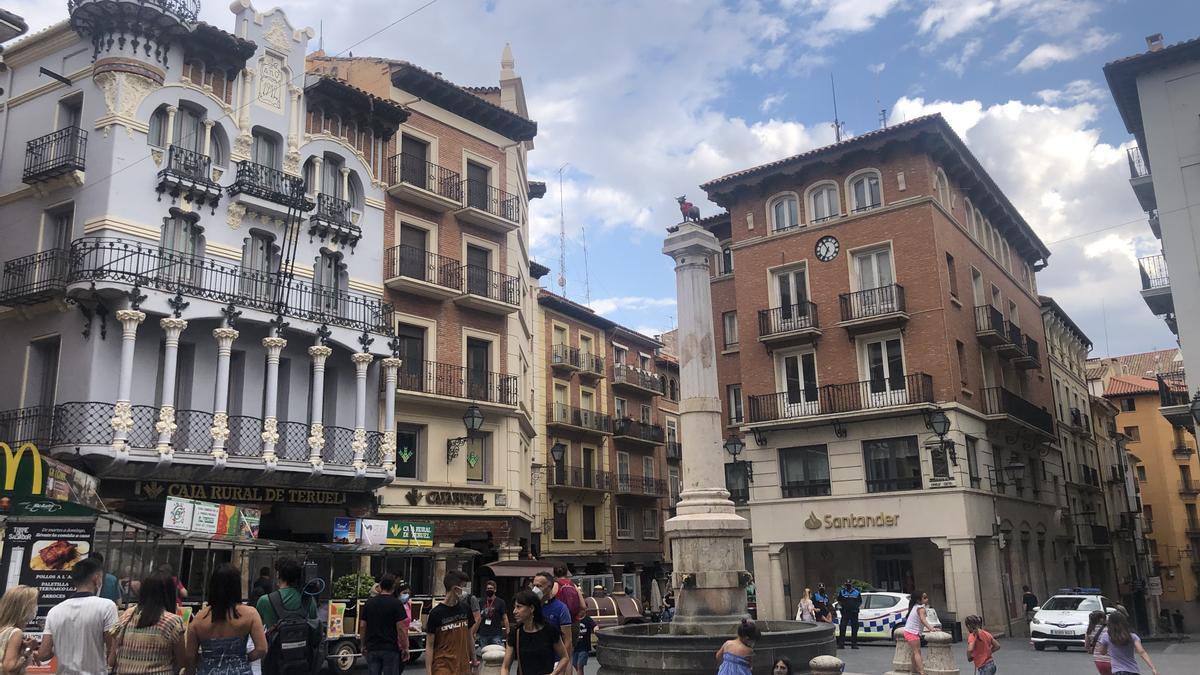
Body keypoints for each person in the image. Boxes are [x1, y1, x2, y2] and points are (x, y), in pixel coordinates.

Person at [38, 557, 119, 675]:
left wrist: (60, 650)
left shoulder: (55, 611)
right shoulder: (106, 606)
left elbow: (43, 654)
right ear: (96, 579)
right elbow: (112, 647)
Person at [186, 563, 267, 675]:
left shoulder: (199, 619)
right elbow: (262, 649)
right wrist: (243, 659)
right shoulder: (251, 614)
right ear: (237, 586)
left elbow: (190, 656)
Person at [108, 573, 187, 675]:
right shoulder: (172, 622)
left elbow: (111, 661)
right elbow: (182, 664)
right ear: (170, 593)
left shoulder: (126, 616)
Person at [255, 558, 318, 675]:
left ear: (278, 575)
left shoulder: (265, 600)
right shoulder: (309, 600)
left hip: (274, 664)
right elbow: (316, 633)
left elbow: (255, 633)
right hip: (302, 663)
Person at [501, 590, 568, 675]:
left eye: (519, 607)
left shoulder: (550, 630)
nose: (514, 611)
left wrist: (554, 673)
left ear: (532, 608)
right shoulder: (515, 633)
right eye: (514, 607)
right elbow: (505, 667)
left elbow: (565, 657)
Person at [425, 571, 475, 675]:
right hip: (442, 668)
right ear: (455, 589)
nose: (466, 590)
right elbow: (429, 645)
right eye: (464, 587)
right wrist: (429, 672)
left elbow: (470, 637)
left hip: (463, 667)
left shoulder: (465, 609)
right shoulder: (435, 613)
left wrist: (474, 662)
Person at [360, 574, 408, 675]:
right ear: (393, 587)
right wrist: (405, 648)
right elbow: (401, 629)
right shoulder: (396, 604)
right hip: (390, 648)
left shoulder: (369, 603)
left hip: (372, 647)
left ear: (380, 586)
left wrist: (363, 645)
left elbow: (363, 626)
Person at [1098, 610, 1157, 675]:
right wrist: (1153, 668)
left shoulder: (1106, 636)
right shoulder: (1132, 636)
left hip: (1117, 671)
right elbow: (1141, 652)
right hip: (1133, 671)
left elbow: (1102, 652)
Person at [0, 586, 39, 675]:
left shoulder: (3, 629)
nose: (36, 608)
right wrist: (28, 650)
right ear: (23, 608)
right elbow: (9, 668)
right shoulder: (16, 633)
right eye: (34, 604)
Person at [531, 572, 572, 648]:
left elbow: (567, 639)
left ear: (549, 587)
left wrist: (564, 658)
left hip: (555, 657)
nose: (535, 589)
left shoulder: (561, 608)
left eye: (539, 586)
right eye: (534, 586)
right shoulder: (531, 607)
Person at [901, 591, 937, 675]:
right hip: (912, 632)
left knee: (915, 652)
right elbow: (923, 620)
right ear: (918, 600)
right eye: (924, 598)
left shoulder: (916, 606)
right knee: (917, 652)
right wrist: (931, 628)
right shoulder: (920, 608)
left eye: (926, 597)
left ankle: (915, 669)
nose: (927, 599)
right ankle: (922, 671)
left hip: (909, 631)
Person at [552, 566, 584, 653]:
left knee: (558, 653)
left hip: (558, 623)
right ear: (566, 573)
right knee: (569, 653)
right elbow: (583, 606)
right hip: (574, 622)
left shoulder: (555, 585)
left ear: (554, 574)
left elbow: (549, 600)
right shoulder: (573, 585)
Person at [477, 580, 508, 649]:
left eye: (491, 588)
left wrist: (507, 631)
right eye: (488, 588)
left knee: (497, 654)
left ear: (495, 590)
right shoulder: (481, 601)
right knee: (484, 654)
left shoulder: (501, 602)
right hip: (483, 633)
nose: (489, 590)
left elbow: (505, 617)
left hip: (496, 633)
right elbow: (478, 617)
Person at [835, 579, 862, 649]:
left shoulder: (856, 592)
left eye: (849, 584)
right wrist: (842, 608)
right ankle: (841, 644)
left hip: (854, 612)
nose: (848, 585)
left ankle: (854, 644)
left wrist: (855, 607)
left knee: (855, 628)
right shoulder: (842, 592)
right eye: (847, 584)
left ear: (851, 585)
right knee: (843, 627)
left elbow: (859, 602)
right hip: (845, 612)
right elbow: (839, 601)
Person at [1085, 610, 1110, 675]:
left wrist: (1090, 649)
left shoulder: (1089, 631)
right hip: (1111, 659)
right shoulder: (1108, 630)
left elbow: (1087, 646)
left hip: (1098, 660)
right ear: (1101, 619)